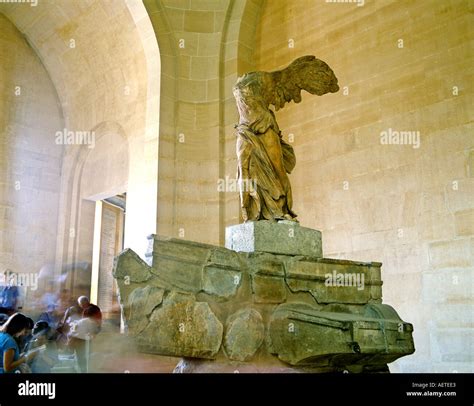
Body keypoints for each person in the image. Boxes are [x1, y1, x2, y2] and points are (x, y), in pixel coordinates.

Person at [67, 296, 102, 373]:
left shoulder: (89, 310)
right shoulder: (94, 308)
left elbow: (90, 323)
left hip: (86, 336)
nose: (81, 306)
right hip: (88, 334)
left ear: (84, 303)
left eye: (81, 304)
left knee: (82, 357)